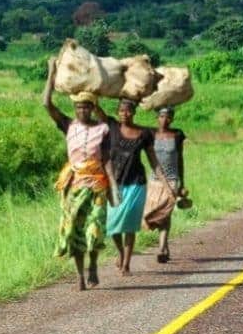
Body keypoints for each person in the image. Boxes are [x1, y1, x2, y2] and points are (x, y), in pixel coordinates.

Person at [43, 58, 118, 291]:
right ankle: (79, 276)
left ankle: (93, 265)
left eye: (87, 106)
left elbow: (106, 160)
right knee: (74, 231)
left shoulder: (102, 130)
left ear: (92, 107)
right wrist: (51, 71)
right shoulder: (68, 125)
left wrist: (113, 187)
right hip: (74, 186)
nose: (82, 110)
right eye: (79, 106)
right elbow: (46, 104)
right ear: (75, 108)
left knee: (94, 230)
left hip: (97, 186)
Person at [97, 99, 174, 276]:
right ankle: (121, 251)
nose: (125, 114)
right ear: (117, 113)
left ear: (134, 113)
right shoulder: (112, 126)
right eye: (122, 111)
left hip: (136, 185)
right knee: (112, 226)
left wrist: (166, 184)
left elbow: (153, 161)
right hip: (115, 184)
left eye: (129, 111)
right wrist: (92, 93)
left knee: (130, 226)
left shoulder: (144, 133)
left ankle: (126, 264)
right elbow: (96, 109)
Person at [143, 106, 188, 263]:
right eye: (162, 116)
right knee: (154, 213)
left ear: (172, 118)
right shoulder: (150, 134)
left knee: (166, 212)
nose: (165, 119)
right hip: (155, 181)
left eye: (168, 116)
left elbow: (180, 159)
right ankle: (165, 245)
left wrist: (182, 183)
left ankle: (161, 247)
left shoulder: (177, 135)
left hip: (172, 180)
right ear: (157, 118)